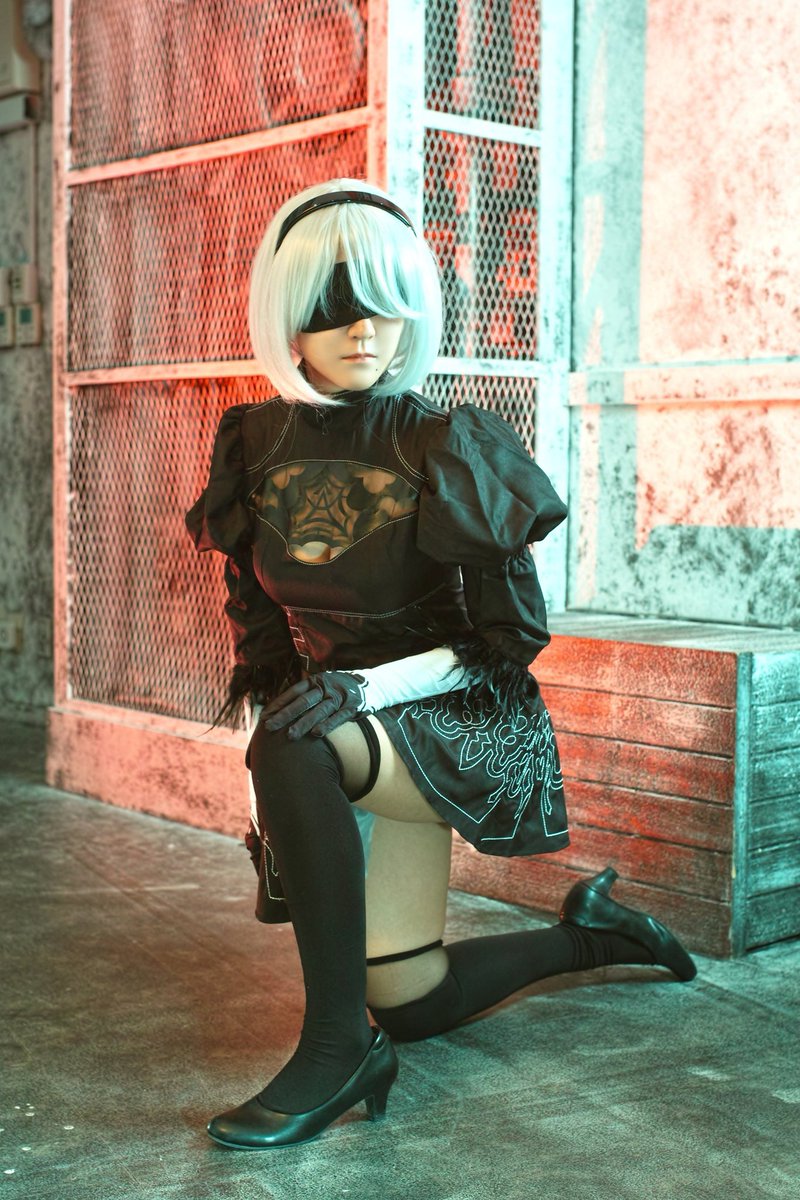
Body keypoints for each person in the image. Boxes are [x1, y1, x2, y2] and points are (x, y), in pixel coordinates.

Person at [185, 179, 696, 1151]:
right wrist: (272, 774)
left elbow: (502, 644)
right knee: (412, 1000)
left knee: (296, 748)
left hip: (460, 717)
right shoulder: (251, 440)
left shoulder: (445, 441)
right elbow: (261, 639)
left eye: (385, 302)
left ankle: (337, 1051)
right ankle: (596, 933)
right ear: (286, 315)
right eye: (333, 304)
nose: (364, 329)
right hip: (339, 724)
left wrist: (356, 696)